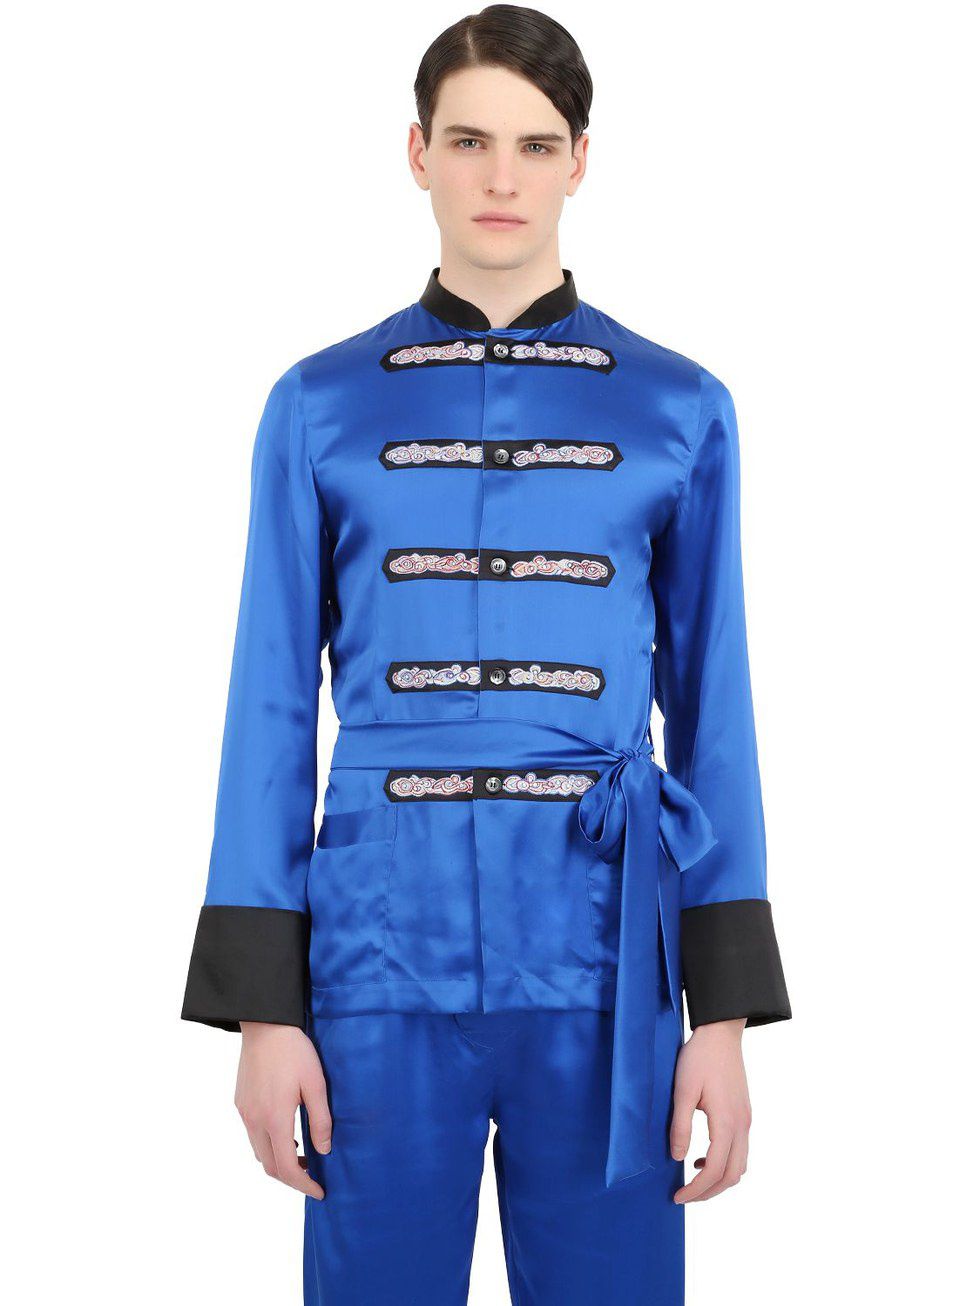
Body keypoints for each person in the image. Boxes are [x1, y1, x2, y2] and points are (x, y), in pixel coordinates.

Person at [181, 5, 791, 1302]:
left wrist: (724, 1015)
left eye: (534, 144)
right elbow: (269, 705)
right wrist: (264, 1011)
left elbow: (715, 710)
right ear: (418, 153)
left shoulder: (679, 408)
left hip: (608, 964)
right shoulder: (319, 404)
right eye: (469, 141)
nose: (501, 177)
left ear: (581, 160)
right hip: (373, 958)